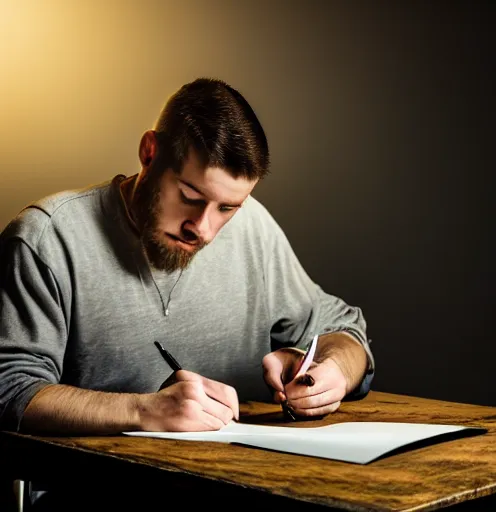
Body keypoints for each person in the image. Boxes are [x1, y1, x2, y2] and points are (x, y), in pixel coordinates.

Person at [0, 77, 375, 508]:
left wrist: (331, 372)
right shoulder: (46, 239)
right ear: (149, 153)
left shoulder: (254, 228)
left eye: (228, 208)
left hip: (241, 492)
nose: (204, 229)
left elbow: (343, 329)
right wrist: (146, 411)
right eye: (190, 196)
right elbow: (10, 389)